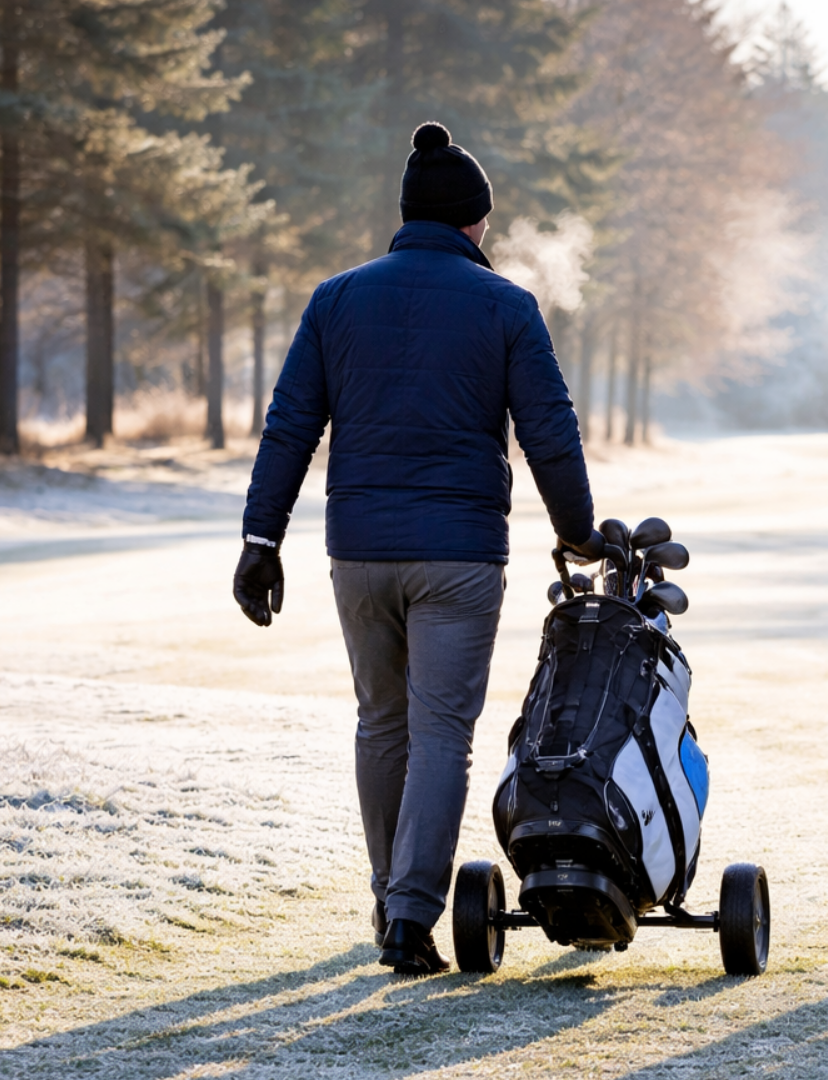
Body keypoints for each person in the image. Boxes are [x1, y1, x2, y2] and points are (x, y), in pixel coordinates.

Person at [232, 121, 604, 975]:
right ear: (475, 223)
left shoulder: (336, 299)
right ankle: (408, 917)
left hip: (358, 550)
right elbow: (550, 431)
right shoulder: (507, 305)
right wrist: (577, 530)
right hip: (461, 555)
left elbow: (290, 425)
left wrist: (261, 539)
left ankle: (389, 894)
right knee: (441, 731)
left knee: (381, 724)